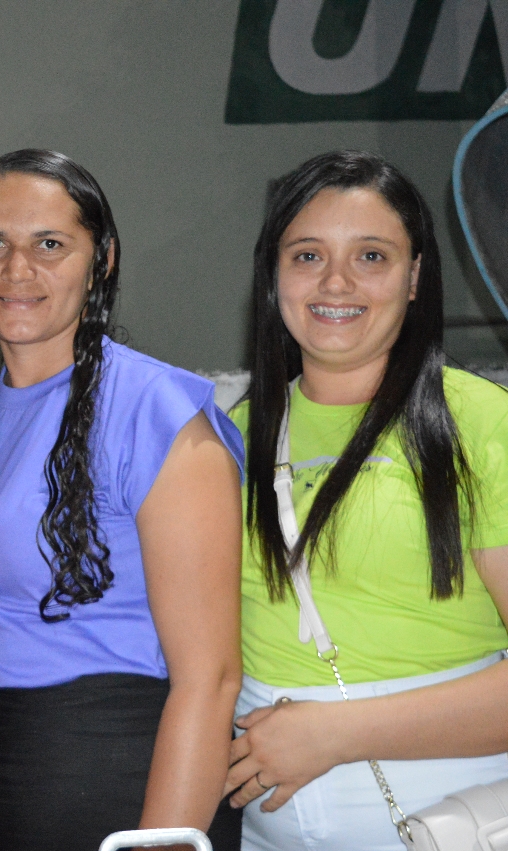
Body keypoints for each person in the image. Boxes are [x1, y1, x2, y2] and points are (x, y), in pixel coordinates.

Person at [0, 149, 244, 850]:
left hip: (127, 773)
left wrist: (160, 844)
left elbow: (212, 677)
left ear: (101, 261)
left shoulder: (159, 411)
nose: (17, 270)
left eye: (50, 244)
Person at [225, 150, 508, 850]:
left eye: (372, 256)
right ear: (273, 275)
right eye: (307, 255)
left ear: (414, 278)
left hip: (453, 824)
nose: (336, 282)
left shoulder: (480, 422)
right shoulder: (233, 435)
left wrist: (335, 733)